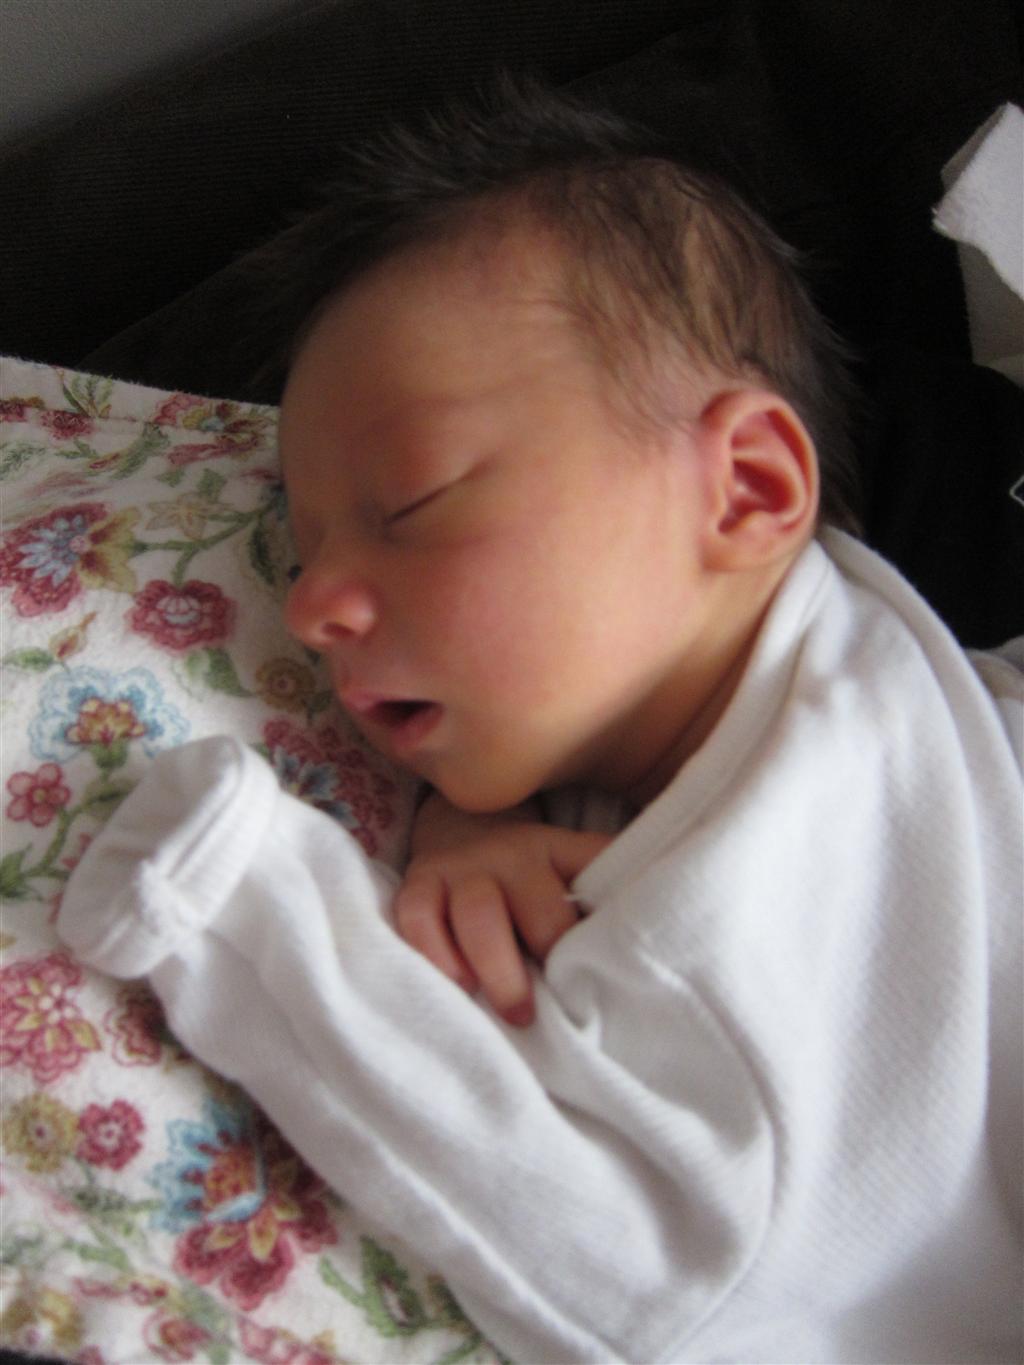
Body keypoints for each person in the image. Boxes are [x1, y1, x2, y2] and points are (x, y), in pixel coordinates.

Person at [59, 77, 1022, 1364]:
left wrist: (245, 912)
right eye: (302, 548)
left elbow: (625, 1265)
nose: (308, 609)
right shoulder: (815, 678)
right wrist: (474, 811)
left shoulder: (743, 899)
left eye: (410, 504)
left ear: (747, 489)